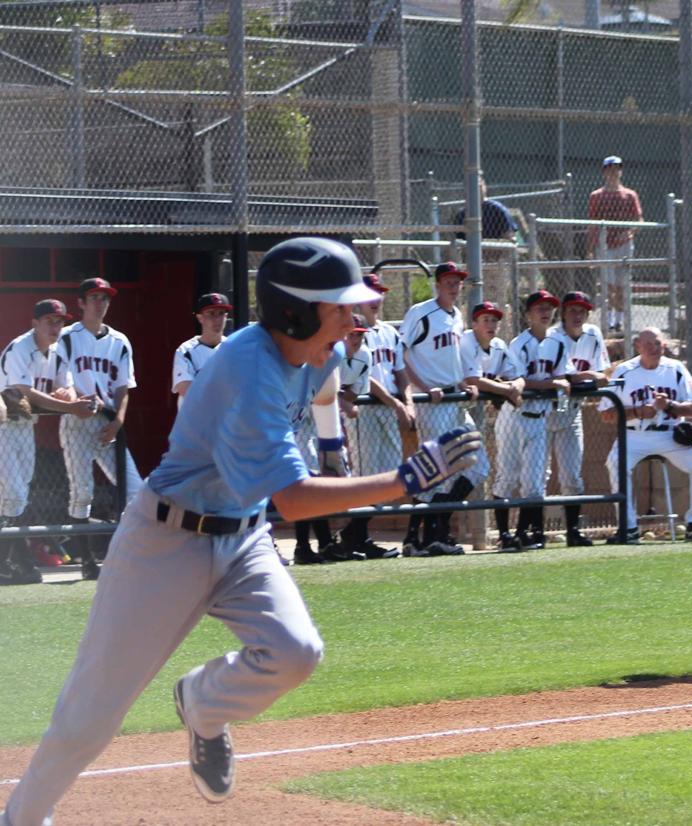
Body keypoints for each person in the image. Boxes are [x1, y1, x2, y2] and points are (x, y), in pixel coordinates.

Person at [0, 237, 481, 826]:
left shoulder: (320, 353)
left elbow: (326, 393)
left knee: (294, 651)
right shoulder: (247, 369)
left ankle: (204, 702)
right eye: (340, 306)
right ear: (295, 311)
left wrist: (333, 447)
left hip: (242, 536)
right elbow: (296, 500)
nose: (353, 319)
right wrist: (405, 479)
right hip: (166, 542)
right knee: (90, 717)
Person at [0, 300, 95, 586]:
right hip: (3, 425)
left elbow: (63, 384)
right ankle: (10, 562)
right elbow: (25, 392)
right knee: (14, 493)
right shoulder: (20, 347)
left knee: (17, 494)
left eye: (60, 321)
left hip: (24, 426)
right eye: (50, 321)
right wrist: (69, 407)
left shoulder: (56, 351)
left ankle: (12, 563)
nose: (56, 327)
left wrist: (68, 394)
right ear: (35, 323)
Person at [59, 277, 144, 580]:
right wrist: (70, 398)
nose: (100, 302)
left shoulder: (119, 341)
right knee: (82, 492)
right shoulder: (68, 336)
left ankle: (128, 553)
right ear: (80, 303)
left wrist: (118, 421)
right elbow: (62, 378)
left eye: (104, 298)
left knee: (137, 491)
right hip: (77, 421)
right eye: (93, 297)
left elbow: (123, 387)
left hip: (108, 423)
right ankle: (86, 561)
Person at [598, 327, 692, 545]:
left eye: (658, 344)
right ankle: (628, 526)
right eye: (648, 344)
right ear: (637, 346)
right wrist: (639, 411)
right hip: (634, 435)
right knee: (615, 462)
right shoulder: (624, 371)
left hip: (670, 434)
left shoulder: (676, 368)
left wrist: (669, 405)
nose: (653, 348)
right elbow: (606, 414)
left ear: (664, 346)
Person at [398, 261, 482, 557]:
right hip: (432, 402)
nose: (454, 285)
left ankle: (433, 529)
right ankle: (424, 537)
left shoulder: (457, 315)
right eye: (448, 280)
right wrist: (420, 387)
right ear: (437, 283)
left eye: (458, 280)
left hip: (454, 399)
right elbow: (401, 352)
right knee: (436, 471)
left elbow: (450, 359)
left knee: (478, 464)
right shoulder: (421, 312)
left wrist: (463, 384)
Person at [338, 273, 415, 559]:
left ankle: (354, 534)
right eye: (370, 293)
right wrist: (395, 402)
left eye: (379, 293)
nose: (376, 299)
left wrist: (407, 401)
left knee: (389, 480)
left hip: (388, 407)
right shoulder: (349, 330)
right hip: (366, 410)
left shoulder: (389, 332)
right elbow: (366, 379)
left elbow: (400, 371)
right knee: (368, 476)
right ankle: (355, 537)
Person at [492, 290, 572, 550]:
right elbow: (521, 382)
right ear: (528, 315)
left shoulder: (559, 342)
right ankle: (504, 536)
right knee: (507, 476)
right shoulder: (519, 343)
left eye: (549, 307)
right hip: (512, 417)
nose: (545, 312)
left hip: (539, 418)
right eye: (539, 308)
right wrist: (553, 383)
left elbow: (564, 376)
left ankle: (525, 534)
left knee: (535, 481)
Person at [290, 317, 373, 565]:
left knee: (311, 481)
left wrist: (331, 445)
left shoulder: (334, 353)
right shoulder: (263, 352)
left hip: (304, 425)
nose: (351, 338)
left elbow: (327, 397)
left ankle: (319, 544)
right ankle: (307, 545)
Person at [459, 300, 526, 551]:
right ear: (474, 323)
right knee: (449, 475)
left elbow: (518, 376)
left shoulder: (498, 345)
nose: (491, 324)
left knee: (479, 470)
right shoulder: (466, 341)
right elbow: (472, 379)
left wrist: (514, 387)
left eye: (494, 320)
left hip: (469, 414)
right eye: (485, 319)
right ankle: (431, 530)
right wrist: (507, 390)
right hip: (450, 411)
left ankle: (438, 527)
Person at [545, 291, 610, 547]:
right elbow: (568, 376)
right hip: (544, 412)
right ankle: (534, 531)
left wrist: (586, 377)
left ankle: (573, 531)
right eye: (572, 310)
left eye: (582, 311)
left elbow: (602, 371)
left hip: (572, 411)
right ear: (563, 313)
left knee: (572, 475)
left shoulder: (593, 334)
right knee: (538, 475)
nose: (577, 315)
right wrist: (587, 377)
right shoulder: (552, 336)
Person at [587, 155, 643, 333]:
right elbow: (592, 223)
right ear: (604, 172)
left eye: (617, 168)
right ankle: (609, 320)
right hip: (604, 245)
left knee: (622, 285)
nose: (614, 172)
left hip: (624, 245)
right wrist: (590, 249)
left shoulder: (630, 195)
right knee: (608, 285)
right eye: (610, 168)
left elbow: (639, 220)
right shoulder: (596, 196)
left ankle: (619, 321)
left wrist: (627, 233)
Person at [172, 293, 232, 410]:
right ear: (200, 318)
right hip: (194, 425)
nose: (217, 319)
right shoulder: (186, 350)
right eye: (211, 313)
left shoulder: (234, 348)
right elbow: (186, 390)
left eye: (221, 314)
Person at [453, 176, 518, 243]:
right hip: (468, 251)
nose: (475, 190)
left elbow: (510, 238)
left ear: (484, 187)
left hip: (496, 250)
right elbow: (457, 241)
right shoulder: (462, 214)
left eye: (478, 186)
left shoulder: (497, 209)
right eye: (470, 187)